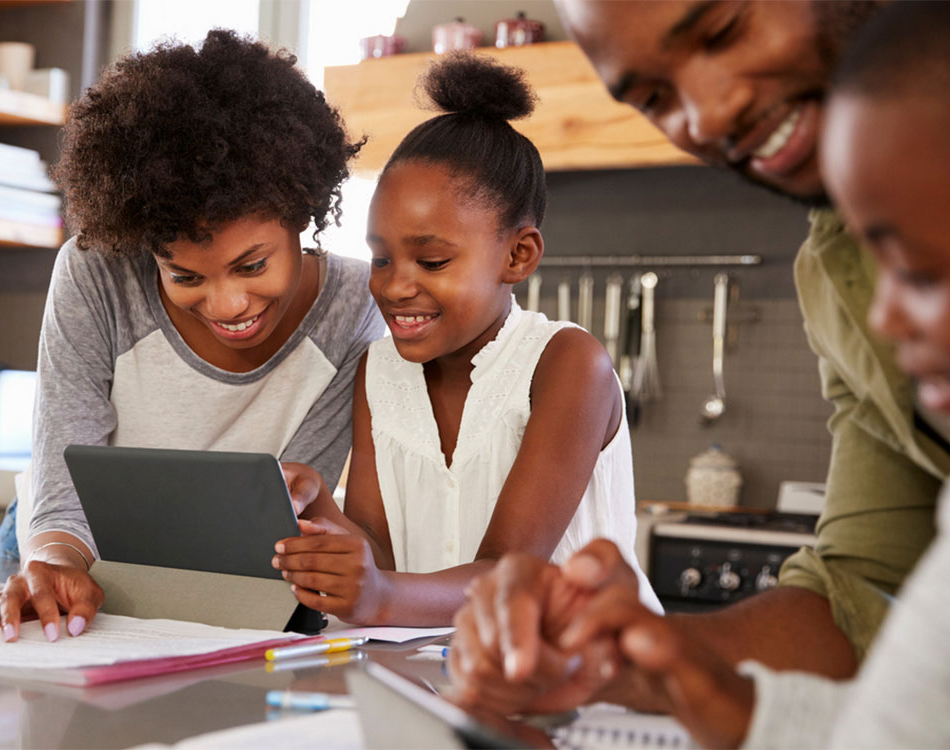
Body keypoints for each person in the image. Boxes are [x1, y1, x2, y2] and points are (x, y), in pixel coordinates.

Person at [462, 4, 950, 746]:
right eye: (653, 98)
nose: (706, 118)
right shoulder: (831, 269)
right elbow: (866, 583)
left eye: (723, 29)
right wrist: (645, 656)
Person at [0, 30, 382, 642]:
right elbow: (63, 471)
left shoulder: (354, 306)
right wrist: (55, 566)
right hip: (65, 548)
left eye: (253, 265)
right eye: (185, 275)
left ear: (302, 213)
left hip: (227, 573)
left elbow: (283, 516)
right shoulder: (95, 273)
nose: (228, 304)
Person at [270, 55, 659, 627]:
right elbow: (381, 556)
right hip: (447, 678)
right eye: (381, 258)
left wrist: (379, 596)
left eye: (432, 260)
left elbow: (509, 571)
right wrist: (318, 504)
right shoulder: (378, 370)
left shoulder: (568, 365)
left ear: (517, 255)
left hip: (593, 680)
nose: (396, 285)